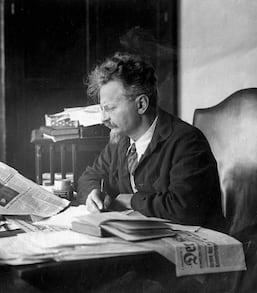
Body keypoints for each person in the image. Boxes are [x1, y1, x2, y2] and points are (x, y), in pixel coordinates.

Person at [77, 52, 226, 231]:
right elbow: (90, 176)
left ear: (141, 104)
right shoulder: (121, 141)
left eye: (110, 109)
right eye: (102, 109)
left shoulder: (187, 142)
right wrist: (92, 192)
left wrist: (131, 200)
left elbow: (184, 208)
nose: (103, 119)